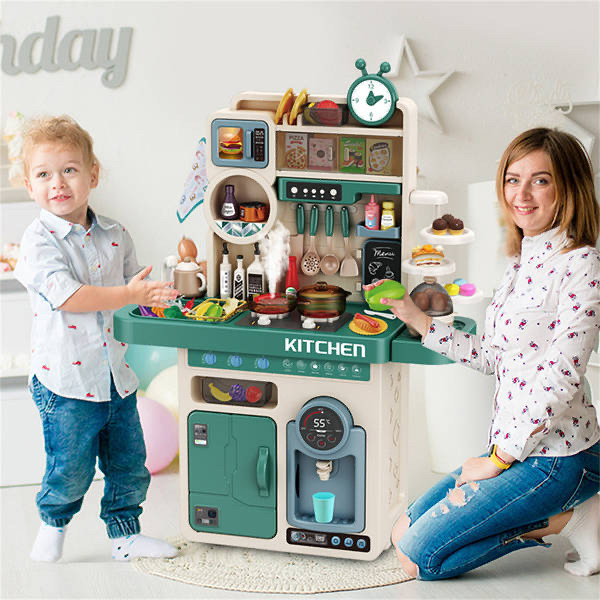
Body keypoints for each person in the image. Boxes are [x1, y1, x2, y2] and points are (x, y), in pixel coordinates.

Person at [385, 128, 600, 580]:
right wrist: (416, 318)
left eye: (540, 180)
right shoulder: (522, 261)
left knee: (419, 558)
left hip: (557, 458)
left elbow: (560, 377)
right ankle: (570, 516)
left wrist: (497, 460)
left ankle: (569, 518)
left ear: (568, 188)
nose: (521, 194)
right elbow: (493, 357)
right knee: (401, 531)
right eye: (512, 179)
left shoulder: (582, 265)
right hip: (514, 450)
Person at [14, 115, 180, 562]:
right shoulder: (38, 242)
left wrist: (165, 291)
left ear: (93, 174)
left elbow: (135, 288)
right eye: (44, 174)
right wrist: (130, 293)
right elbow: (71, 297)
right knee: (70, 467)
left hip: (115, 378)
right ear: (29, 186)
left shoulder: (114, 233)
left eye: (69, 169)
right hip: (65, 383)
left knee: (129, 463)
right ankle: (53, 522)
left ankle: (125, 535)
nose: (57, 183)